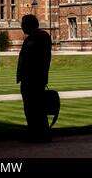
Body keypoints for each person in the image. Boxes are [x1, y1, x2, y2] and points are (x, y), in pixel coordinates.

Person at [16, 14, 52, 142]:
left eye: (23, 24)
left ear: (29, 25)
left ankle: (38, 134)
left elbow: (36, 59)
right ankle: (39, 133)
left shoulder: (39, 37)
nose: (21, 26)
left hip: (33, 78)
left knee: (34, 108)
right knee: (34, 108)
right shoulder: (36, 37)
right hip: (32, 78)